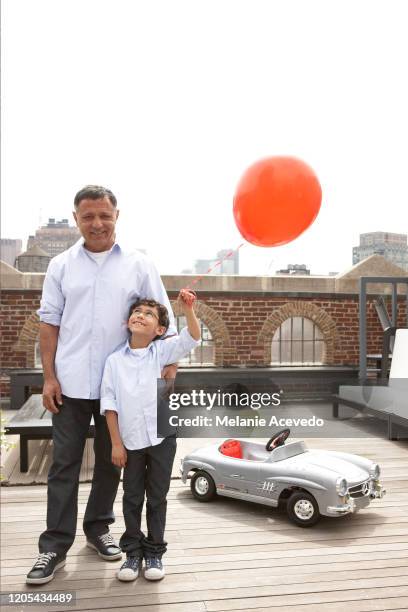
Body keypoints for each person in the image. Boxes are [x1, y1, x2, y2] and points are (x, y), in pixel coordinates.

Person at [26, 185, 178, 585]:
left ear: (116, 216)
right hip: (70, 383)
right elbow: (49, 324)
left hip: (123, 387)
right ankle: (54, 547)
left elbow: (165, 320)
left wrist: (170, 366)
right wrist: (49, 376)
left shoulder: (140, 265)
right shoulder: (60, 266)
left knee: (115, 462)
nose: (97, 223)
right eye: (88, 216)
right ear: (76, 219)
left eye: (104, 216)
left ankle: (98, 529)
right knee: (64, 465)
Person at [101, 290, 200, 582]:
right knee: (132, 497)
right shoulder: (114, 361)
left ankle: (154, 551)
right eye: (137, 311)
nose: (140, 315)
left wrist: (189, 309)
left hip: (163, 436)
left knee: (157, 496)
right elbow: (109, 404)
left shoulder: (161, 352)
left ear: (159, 330)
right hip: (129, 441)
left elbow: (192, 338)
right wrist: (116, 444)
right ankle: (132, 553)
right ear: (128, 321)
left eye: (148, 314)